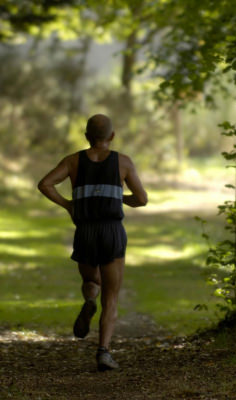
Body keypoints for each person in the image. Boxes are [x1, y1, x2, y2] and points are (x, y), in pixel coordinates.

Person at [37, 114, 148, 371]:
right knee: (111, 297)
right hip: (112, 232)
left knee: (91, 281)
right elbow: (142, 199)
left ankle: (89, 300)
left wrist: (68, 205)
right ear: (112, 136)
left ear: (87, 136)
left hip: (85, 232)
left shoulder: (73, 161)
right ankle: (103, 352)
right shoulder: (123, 162)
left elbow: (45, 184)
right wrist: (119, 197)